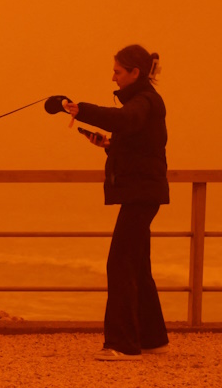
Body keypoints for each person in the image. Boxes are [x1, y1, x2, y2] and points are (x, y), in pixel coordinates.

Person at [63, 45, 170, 361]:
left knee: (120, 263)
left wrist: (80, 109)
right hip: (142, 192)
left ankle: (122, 344)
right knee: (137, 265)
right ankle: (153, 339)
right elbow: (138, 142)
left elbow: (124, 120)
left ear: (135, 73)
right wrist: (109, 145)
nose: (113, 77)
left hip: (141, 195)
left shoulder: (145, 101)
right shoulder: (144, 102)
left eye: (118, 72)